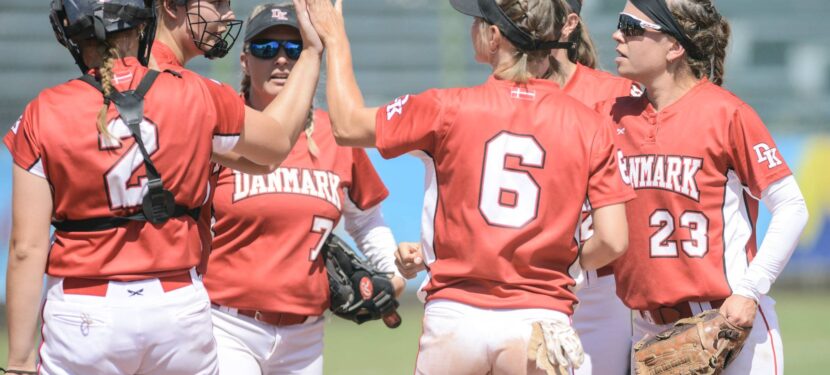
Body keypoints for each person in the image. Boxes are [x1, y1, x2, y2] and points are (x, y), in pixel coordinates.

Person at [305, 0, 635, 373]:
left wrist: (334, 38)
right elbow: (613, 240)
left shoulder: (447, 108)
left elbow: (347, 126)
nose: (473, 27)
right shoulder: (589, 124)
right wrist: (561, 259)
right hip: (540, 319)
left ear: (494, 37)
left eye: (479, 20)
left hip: (457, 317)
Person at [2, 0, 321, 374]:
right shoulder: (195, 93)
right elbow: (276, 145)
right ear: (143, 26)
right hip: (176, 306)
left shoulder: (44, 111)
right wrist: (313, 52)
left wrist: (19, 361)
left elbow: (26, 248)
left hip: (84, 310)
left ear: (71, 34)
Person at [600, 0, 809, 373]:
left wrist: (749, 291)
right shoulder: (613, 116)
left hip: (728, 323)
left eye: (631, 26)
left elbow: (792, 207)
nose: (618, 35)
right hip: (648, 328)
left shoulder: (726, 114)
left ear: (673, 46)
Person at [202, 3, 405, 374]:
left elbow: (365, 219)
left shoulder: (335, 135)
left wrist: (393, 273)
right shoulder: (223, 126)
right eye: (266, 49)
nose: (281, 60)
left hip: (305, 336)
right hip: (226, 324)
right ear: (245, 60)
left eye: (294, 49)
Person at [549, 1, 641, 374]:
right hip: (526, 291)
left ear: (569, 23)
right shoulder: (499, 95)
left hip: (606, 295)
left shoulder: (622, 95)